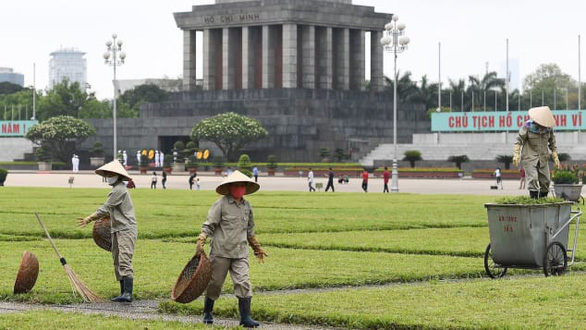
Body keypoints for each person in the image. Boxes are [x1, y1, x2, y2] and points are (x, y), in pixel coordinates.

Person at [196, 170, 267, 327]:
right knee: (215, 283)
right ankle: (208, 312)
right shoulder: (221, 204)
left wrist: (257, 248)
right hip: (221, 251)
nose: (239, 188)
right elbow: (210, 224)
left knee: (243, 282)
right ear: (229, 188)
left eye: (242, 186)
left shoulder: (247, 206)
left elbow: (249, 231)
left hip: (240, 252)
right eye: (236, 186)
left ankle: (245, 317)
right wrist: (202, 238)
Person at [77, 160, 137, 302]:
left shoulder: (119, 190)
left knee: (124, 259)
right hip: (117, 228)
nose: (108, 176)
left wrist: (89, 218)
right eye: (107, 174)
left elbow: (106, 208)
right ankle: (123, 292)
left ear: (118, 175)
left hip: (126, 229)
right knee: (117, 259)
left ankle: (128, 293)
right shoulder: (116, 189)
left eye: (111, 174)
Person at [513, 106, 560, 198]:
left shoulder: (549, 128)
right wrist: (516, 154)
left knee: (546, 181)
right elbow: (518, 140)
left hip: (543, 158)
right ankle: (534, 201)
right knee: (533, 179)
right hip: (529, 157)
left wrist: (555, 156)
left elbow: (552, 143)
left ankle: (543, 201)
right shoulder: (527, 126)